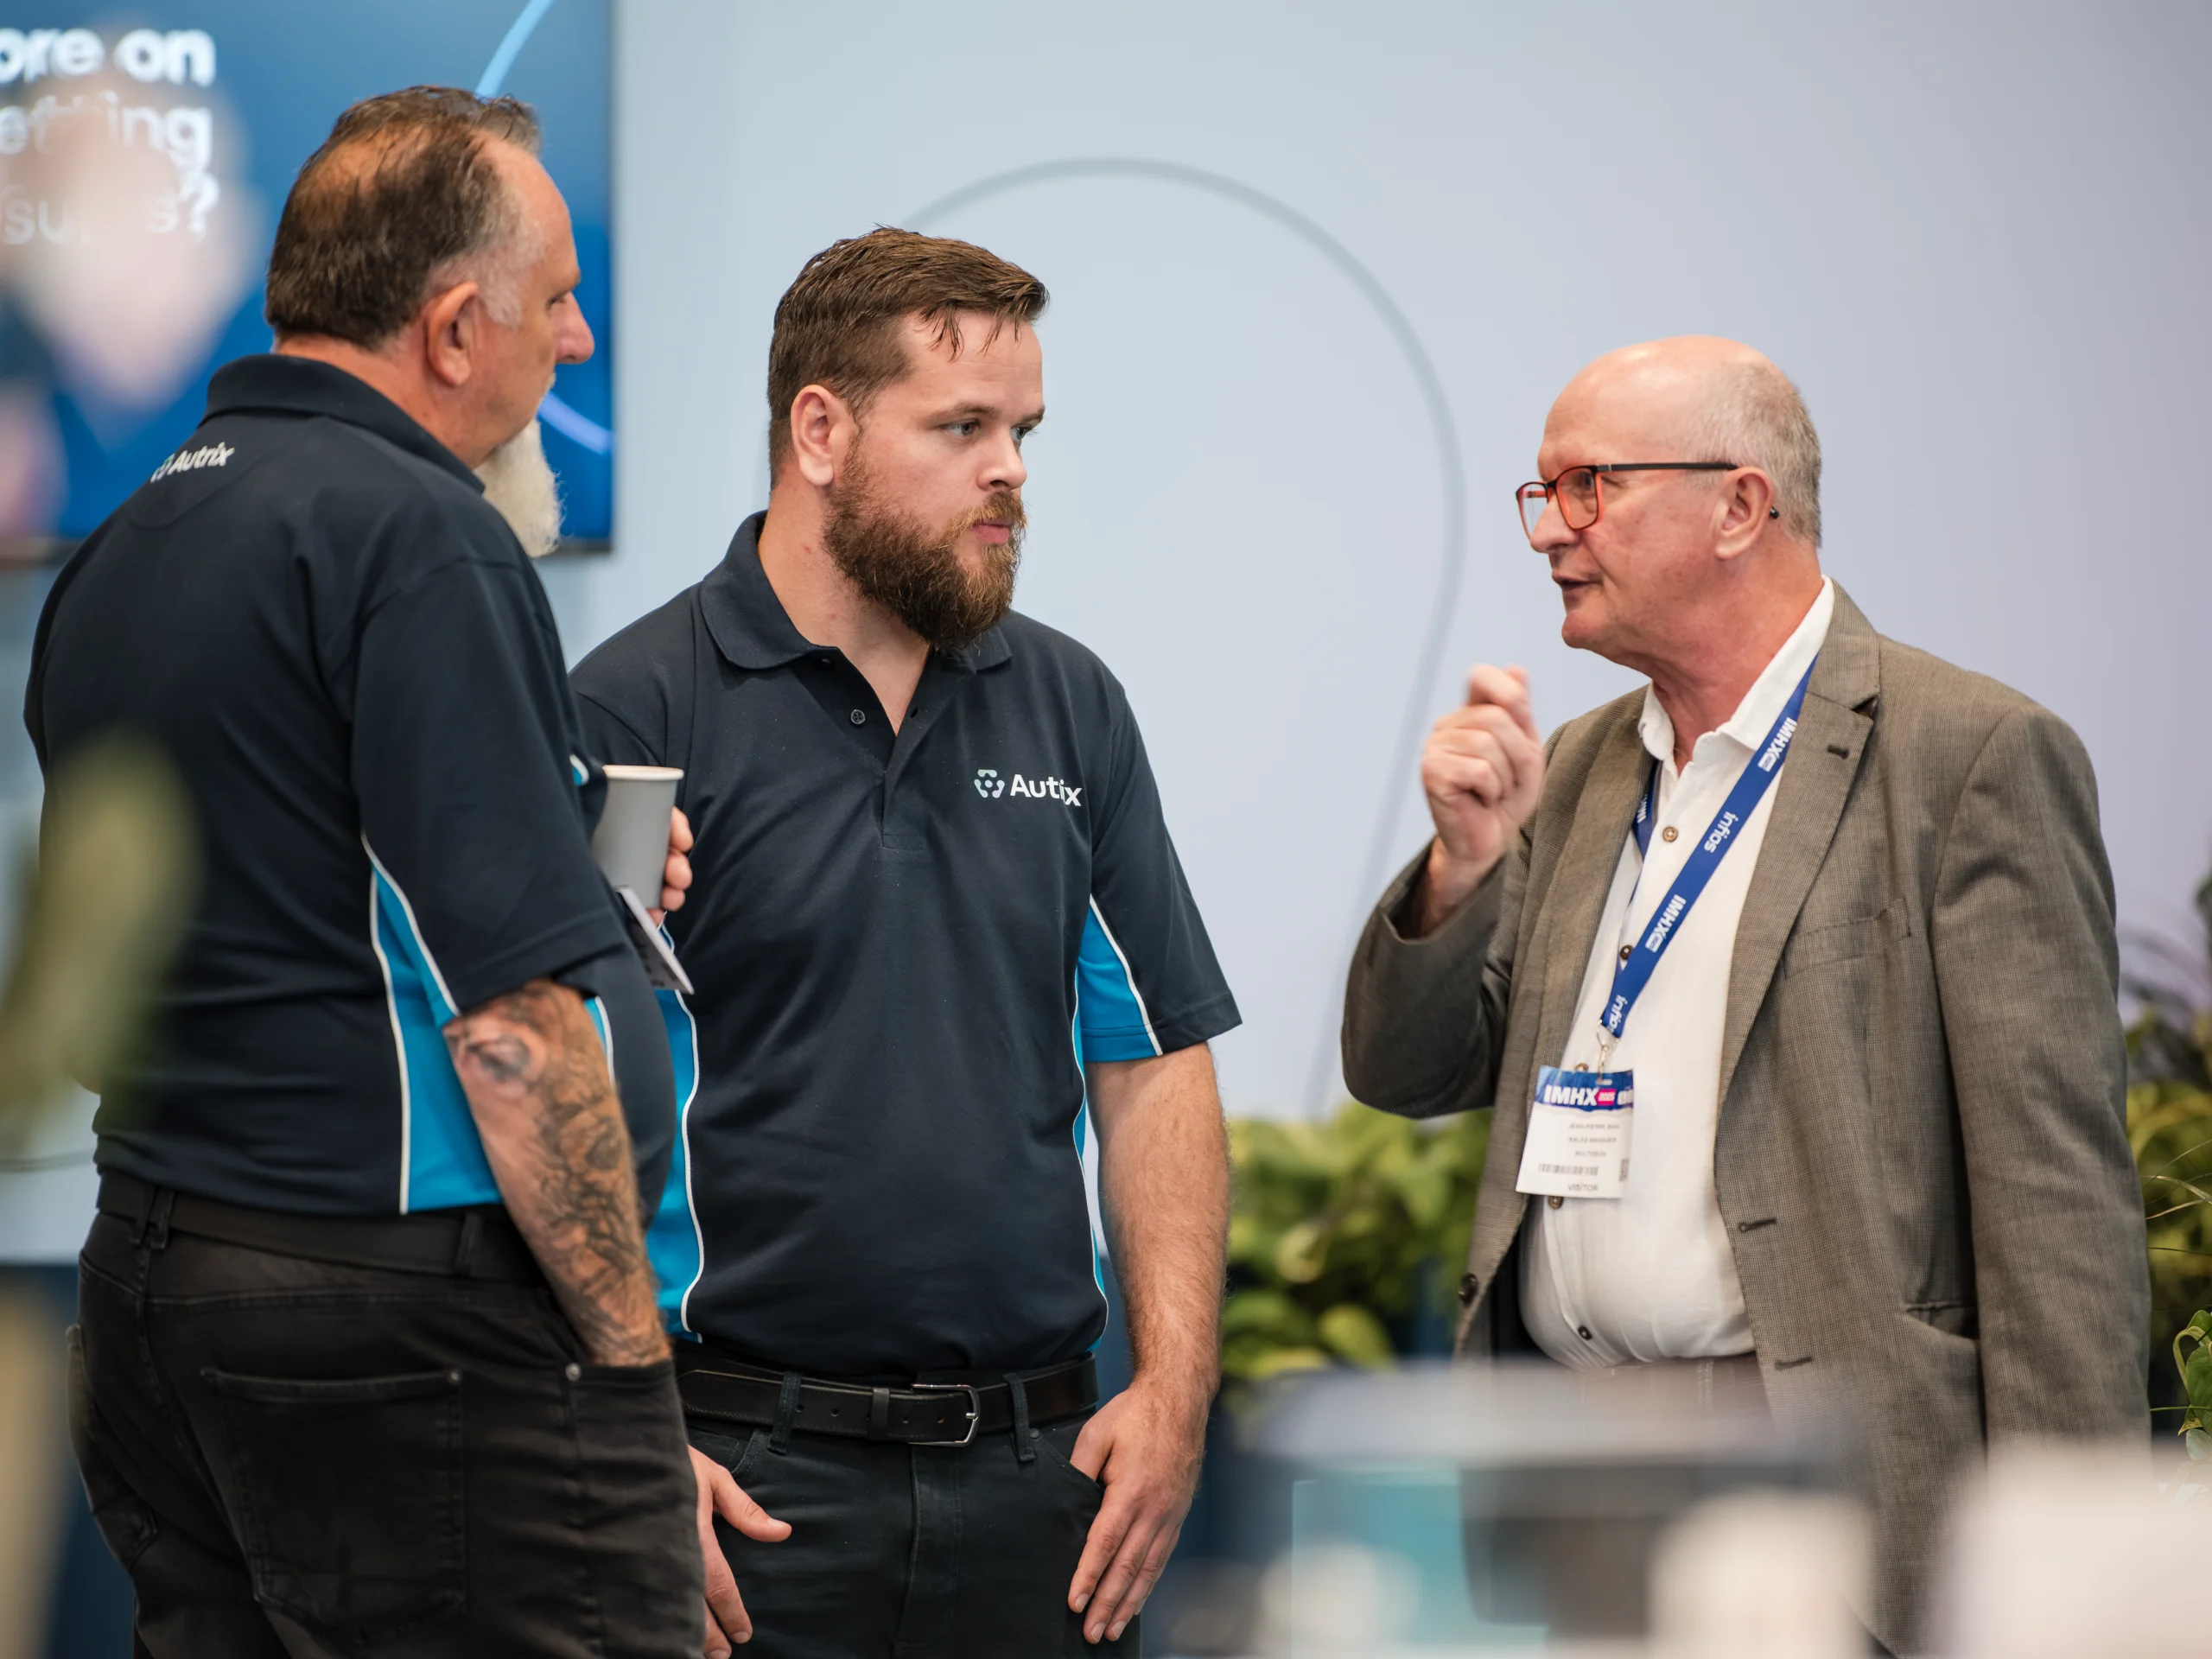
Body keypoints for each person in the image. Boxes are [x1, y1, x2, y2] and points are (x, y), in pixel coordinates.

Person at [27, 87, 707, 1658]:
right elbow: (514, 1023)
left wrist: (557, 840)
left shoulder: (124, 548)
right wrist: (630, 1361)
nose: (578, 341)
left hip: (153, 1287)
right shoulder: (421, 535)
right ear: (455, 329)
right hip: (402, 1328)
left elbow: (250, 906)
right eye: (558, 301)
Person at [1339, 336, 2148, 1653]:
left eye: (1589, 486)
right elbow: (1405, 1072)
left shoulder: (1969, 758)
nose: (1549, 531)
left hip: (1826, 1475)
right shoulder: (1578, 770)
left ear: (1738, 505)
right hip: (1581, 1467)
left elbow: (2052, 1205)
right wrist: (1460, 869)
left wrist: (2076, 1588)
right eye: (1544, 493)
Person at [571, 227, 1240, 1656]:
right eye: (963, 428)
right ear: (820, 431)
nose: (1012, 470)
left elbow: (1153, 1060)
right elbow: (559, 1082)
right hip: (743, 1489)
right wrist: (622, 1437)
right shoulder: (632, 718)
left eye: (1023, 432)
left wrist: (1177, 1389)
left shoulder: (1071, 706)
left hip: (1043, 1491)